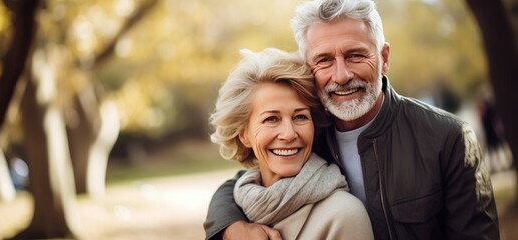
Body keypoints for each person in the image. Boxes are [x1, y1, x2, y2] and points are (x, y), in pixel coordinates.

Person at [204, 0, 500, 239]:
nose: (342, 75)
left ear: (384, 58)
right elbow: (244, 181)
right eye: (324, 60)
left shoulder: (446, 137)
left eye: (356, 55)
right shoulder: (306, 133)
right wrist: (229, 227)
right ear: (308, 68)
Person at [207, 47, 373, 239]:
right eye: (271, 119)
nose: (288, 134)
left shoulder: (344, 215)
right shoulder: (236, 210)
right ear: (244, 134)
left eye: (300, 117)